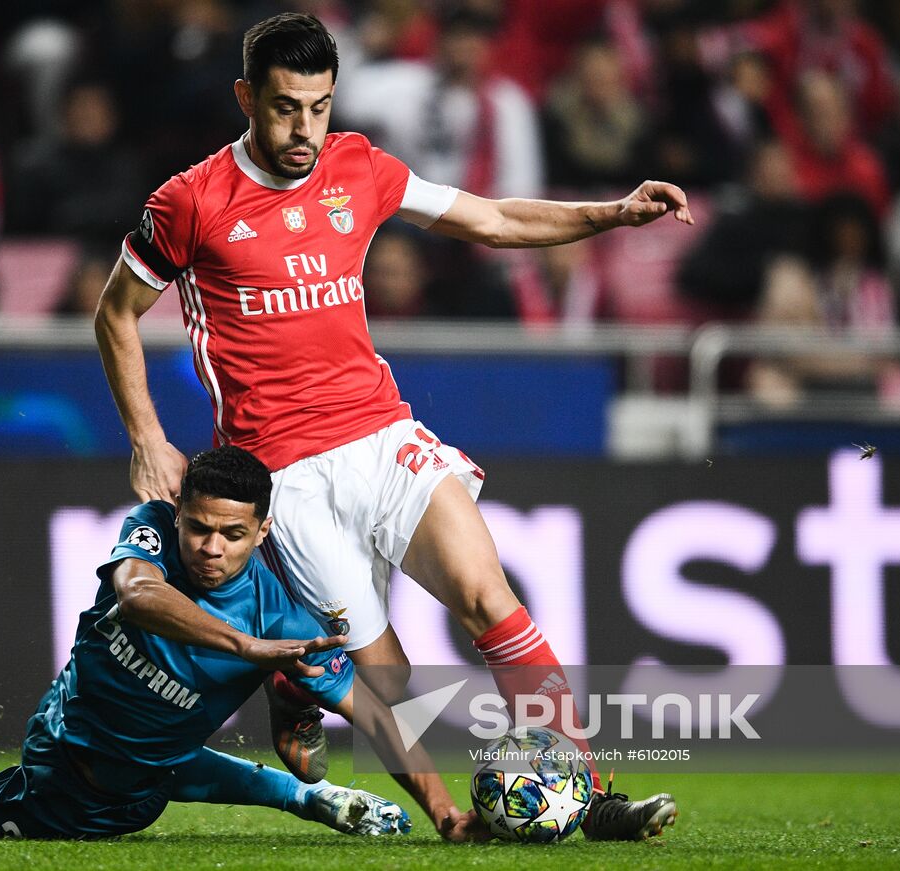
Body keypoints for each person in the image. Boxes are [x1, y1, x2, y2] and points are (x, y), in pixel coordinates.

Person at [95, 13, 690, 842]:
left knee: (491, 598)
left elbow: (490, 220)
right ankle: (327, 710)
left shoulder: (358, 166)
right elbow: (116, 313)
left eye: (319, 107)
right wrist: (146, 435)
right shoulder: (191, 202)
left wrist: (615, 212)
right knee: (389, 675)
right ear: (246, 98)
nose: (304, 128)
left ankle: (590, 795)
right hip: (285, 473)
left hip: (381, 432)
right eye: (283, 107)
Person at [0, 446, 412, 841]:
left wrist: (445, 812)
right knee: (145, 758)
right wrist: (246, 648)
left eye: (232, 535)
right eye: (200, 527)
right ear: (178, 512)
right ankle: (306, 789)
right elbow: (136, 594)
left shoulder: (283, 617)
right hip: (72, 746)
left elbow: (379, 712)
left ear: (262, 531)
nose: (211, 548)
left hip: (110, 785)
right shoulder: (150, 528)